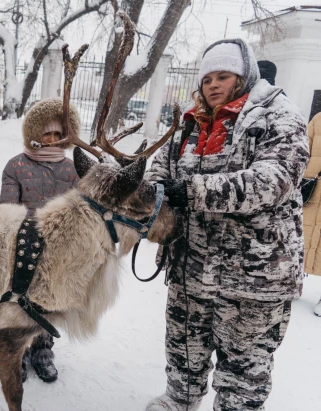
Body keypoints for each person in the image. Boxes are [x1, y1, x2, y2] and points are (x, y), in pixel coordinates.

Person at [144, 39, 308, 411]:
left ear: (244, 75)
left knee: (243, 366)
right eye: (207, 79)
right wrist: (145, 191)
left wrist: (192, 190)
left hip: (254, 276)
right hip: (191, 266)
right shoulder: (190, 121)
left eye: (223, 76)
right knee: (185, 345)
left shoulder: (278, 116)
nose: (213, 85)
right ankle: (179, 399)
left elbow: (272, 180)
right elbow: (161, 169)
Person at [0, 97, 80, 382]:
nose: (53, 139)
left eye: (59, 134)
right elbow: (7, 210)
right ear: (34, 133)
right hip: (24, 246)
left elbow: (79, 207)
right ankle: (19, 351)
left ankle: (44, 349)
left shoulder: (71, 169)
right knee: (20, 300)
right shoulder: (16, 166)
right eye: (47, 133)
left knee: (52, 300)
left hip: (59, 247)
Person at [303, 110, 321, 316]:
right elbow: (302, 151)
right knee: (302, 238)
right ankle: (295, 281)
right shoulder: (318, 119)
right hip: (312, 191)